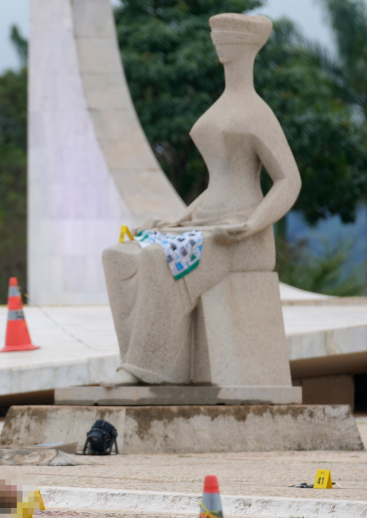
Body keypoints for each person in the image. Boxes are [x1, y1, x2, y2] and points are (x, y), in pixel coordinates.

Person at [100, 14, 300, 387]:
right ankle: (145, 358)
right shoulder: (220, 107)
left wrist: (252, 225)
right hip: (203, 225)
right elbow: (216, 184)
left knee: (162, 258)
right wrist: (179, 219)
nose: (219, 43)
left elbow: (289, 181)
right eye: (217, 36)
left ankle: (146, 367)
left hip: (240, 238)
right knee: (119, 255)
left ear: (248, 46)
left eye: (228, 37)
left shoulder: (258, 113)